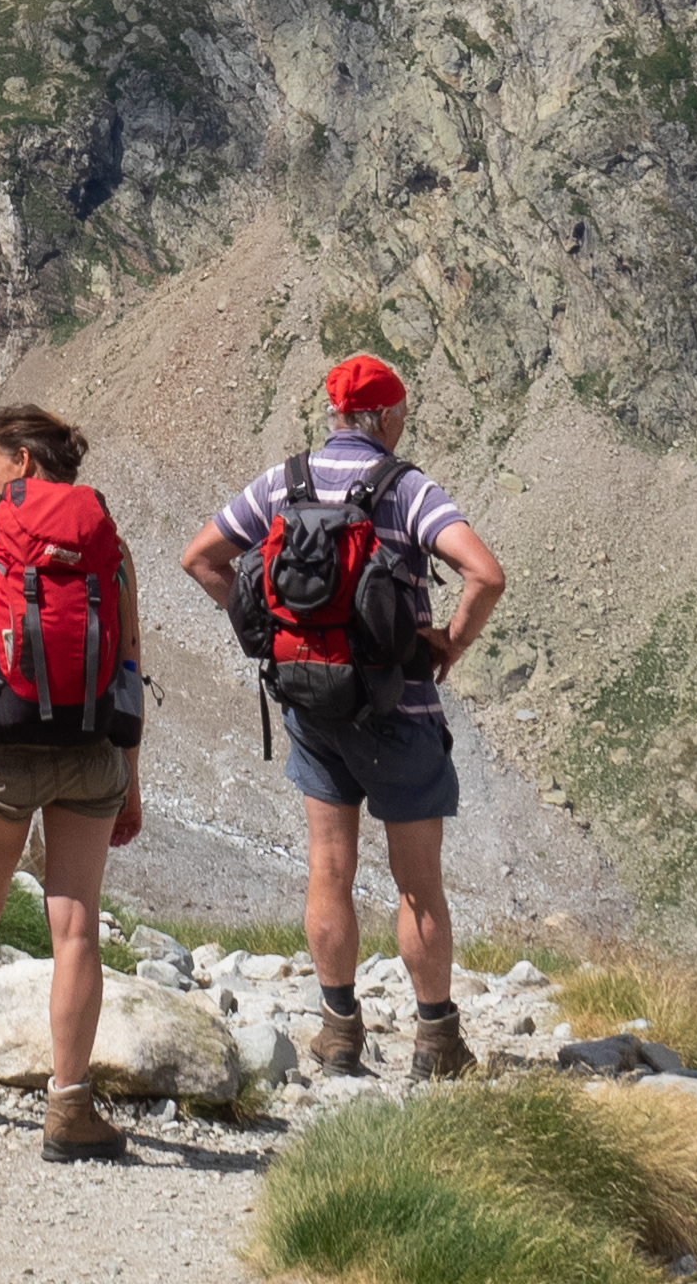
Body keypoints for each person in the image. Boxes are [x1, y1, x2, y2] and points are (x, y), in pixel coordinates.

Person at [177, 353, 510, 1082]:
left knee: (329, 869)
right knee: (417, 883)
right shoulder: (406, 489)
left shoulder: (284, 482)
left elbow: (202, 558)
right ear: (387, 417)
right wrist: (450, 641)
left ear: (334, 415)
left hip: (312, 704)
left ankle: (339, 1032)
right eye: (402, 414)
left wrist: (266, 632)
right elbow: (486, 574)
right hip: (400, 709)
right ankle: (435, 1043)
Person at [0, 402, 145, 1159]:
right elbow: (128, 669)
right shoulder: (108, 542)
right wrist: (131, 775)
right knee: (76, 928)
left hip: (4, 753)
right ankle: (68, 1108)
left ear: (23, 461)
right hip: (91, 753)